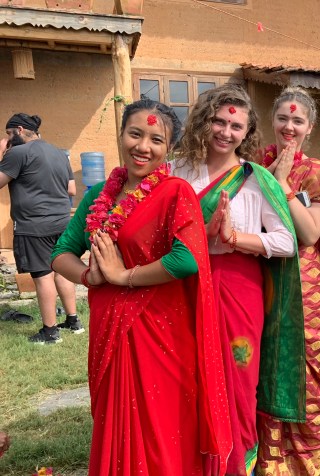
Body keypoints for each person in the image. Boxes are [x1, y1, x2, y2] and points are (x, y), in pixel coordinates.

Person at [51, 99, 232, 475]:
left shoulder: (175, 192)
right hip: (109, 328)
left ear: (170, 148)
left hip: (160, 330)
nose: (143, 146)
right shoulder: (98, 196)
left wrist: (123, 276)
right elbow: (61, 253)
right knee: (115, 419)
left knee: (160, 426)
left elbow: (187, 259)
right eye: (135, 134)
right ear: (121, 135)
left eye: (156, 139)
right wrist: (88, 276)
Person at [172, 84, 304, 476]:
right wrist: (200, 235)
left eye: (236, 126)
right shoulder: (176, 172)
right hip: (183, 283)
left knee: (237, 376)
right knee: (187, 373)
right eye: (219, 121)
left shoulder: (254, 178)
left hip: (237, 287)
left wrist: (233, 238)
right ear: (203, 121)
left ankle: (234, 464)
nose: (226, 132)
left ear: (247, 133)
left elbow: (286, 241)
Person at [256, 87, 320, 475]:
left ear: (310, 127)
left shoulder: (316, 174)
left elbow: (311, 233)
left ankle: (305, 464)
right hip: (260, 281)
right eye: (283, 118)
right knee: (263, 366)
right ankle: (267, 460)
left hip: (304, 287)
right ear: (272, 120)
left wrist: (282, 185)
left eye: (298, 120)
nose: (289, 126)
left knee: (306, 373)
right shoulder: (252, 165)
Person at [0, 113, 80, 344]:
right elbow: (71, 190)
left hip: (34, 225)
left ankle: (50, 332)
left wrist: (2, 152)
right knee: (61, 270)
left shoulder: (17, 153)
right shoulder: (59, 153)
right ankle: (73, 321)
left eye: (9, 134)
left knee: (43, 275)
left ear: (19, 130)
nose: (7, 139)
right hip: (62, 223)